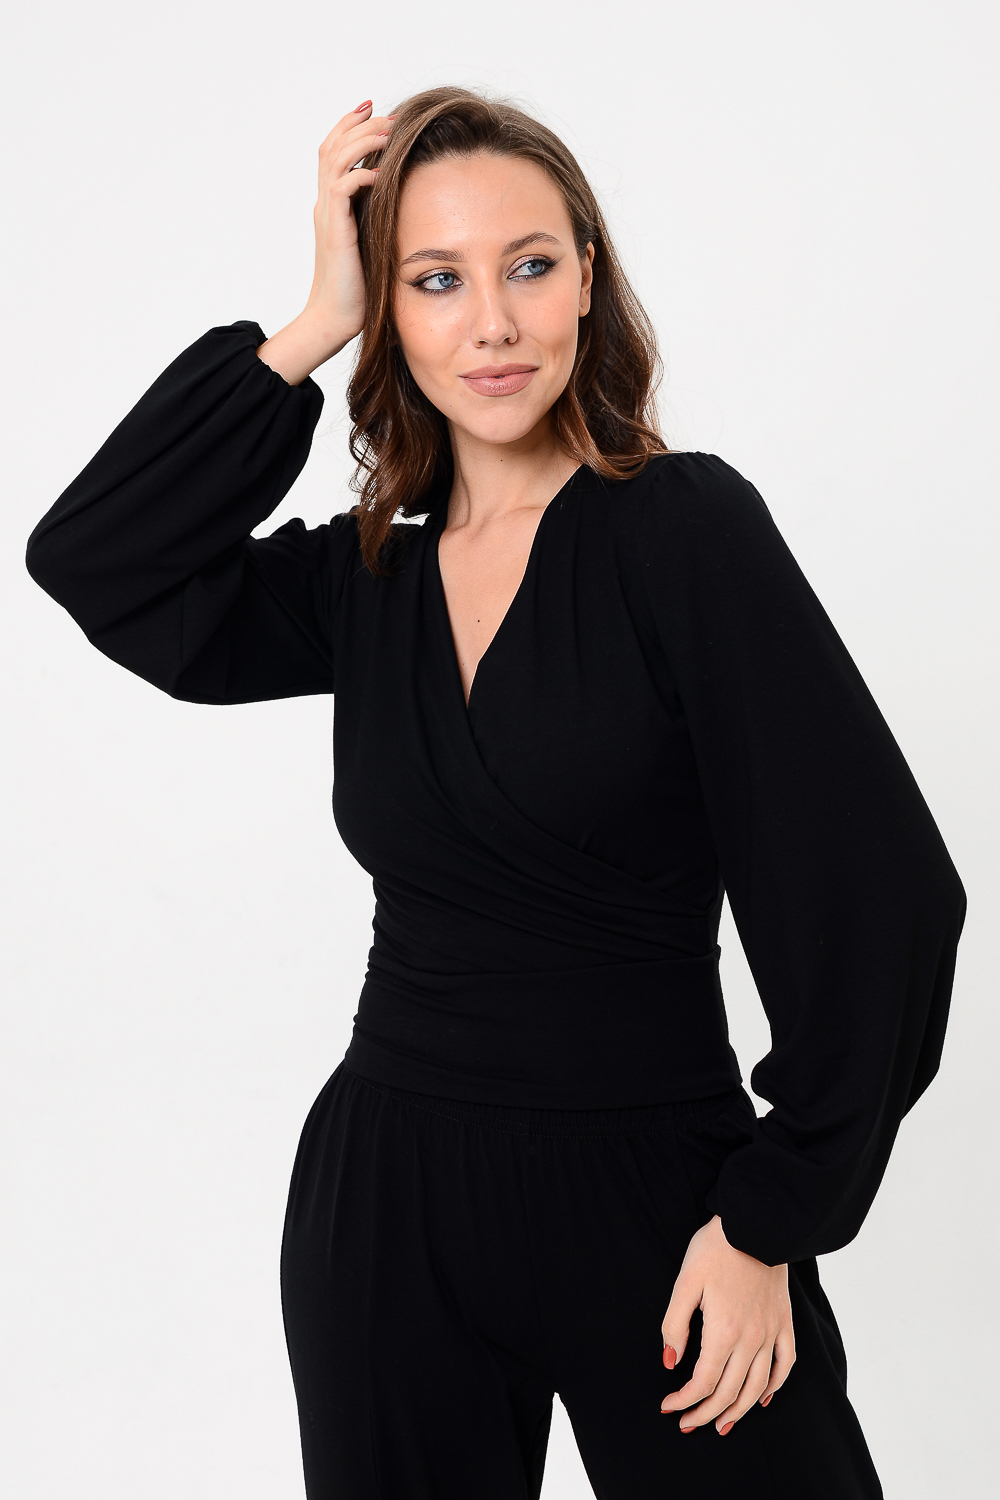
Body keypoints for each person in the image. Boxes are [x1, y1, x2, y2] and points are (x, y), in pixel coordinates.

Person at [25, 85, 966, 1500]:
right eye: (434, 280)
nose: (493, 324)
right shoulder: (368, 575)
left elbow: (883, 898)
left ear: (587, 277)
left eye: (528, 265)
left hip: (668, 1207)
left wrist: (773, 1221)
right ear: (393, 313)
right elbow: (96, 558)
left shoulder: (683, 532)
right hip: (388, 1208)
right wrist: (313, 319)